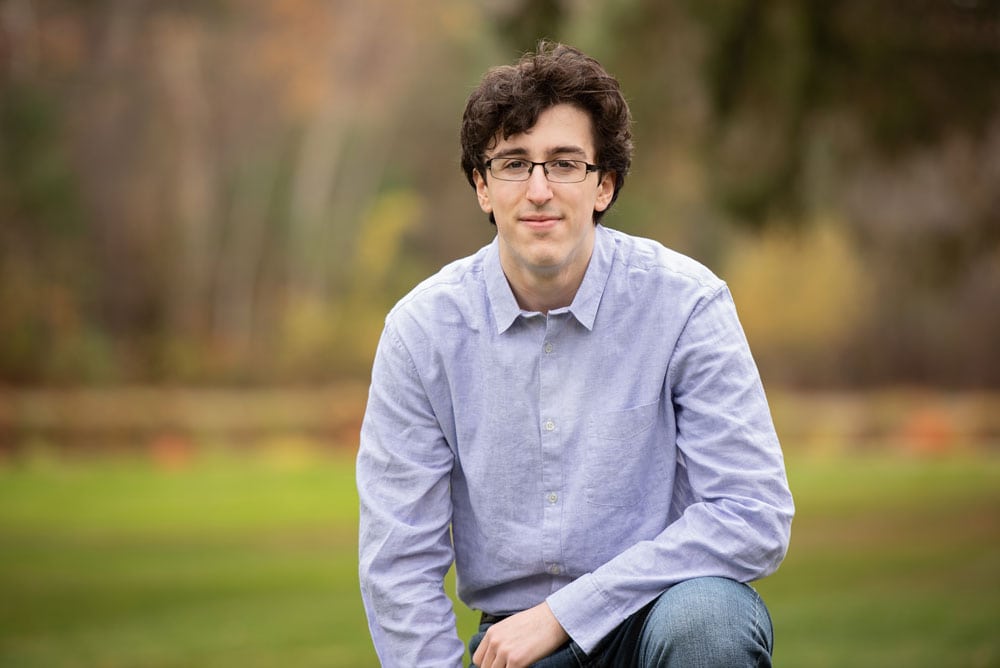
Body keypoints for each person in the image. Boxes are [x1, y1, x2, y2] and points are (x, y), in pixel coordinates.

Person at [357, 41, 794, 668]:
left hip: (661, 620)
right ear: (482, 187)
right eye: (514, 164)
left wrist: (567, 613)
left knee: (711, 623)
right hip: (515, 647)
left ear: (603, 185)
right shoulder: (421, 332)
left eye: (564, 164)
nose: (539, 190)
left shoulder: (685, 305)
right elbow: (398, 563)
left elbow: (752, 514)